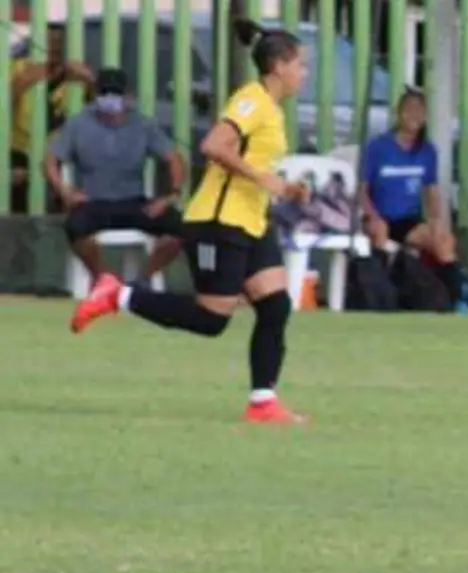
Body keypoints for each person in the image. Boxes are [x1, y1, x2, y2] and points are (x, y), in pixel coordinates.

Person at [70, 23, 311, 426]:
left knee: (275, 305)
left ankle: (263, 402)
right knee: (212, 320)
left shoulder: (271, 109)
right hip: (219, 222)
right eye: (301, 65)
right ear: (278, 65)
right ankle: (118, 295)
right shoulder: (251, 101)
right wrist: (264, 179)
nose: (304, 73)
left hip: (250, 222)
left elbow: (253, 161)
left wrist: (285, 187)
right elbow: (214, 145)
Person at [46, 67, 186, 286]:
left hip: (134, 201)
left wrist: (170, 196)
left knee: (179, 228)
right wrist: (64, 190)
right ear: (95, 94)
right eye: (104, 93)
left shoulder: (143, 124)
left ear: (127, 95)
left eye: (116, 93)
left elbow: (174, 159)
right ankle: (101, 279)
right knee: (75, 227)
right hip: (93, 201)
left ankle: (143, 278)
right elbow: (51, 160)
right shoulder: (78, 123)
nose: (110, 99)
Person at [361, 88, 457, 268]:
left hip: (408, 220)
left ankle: (452, 291)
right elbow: (362, 190)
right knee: (380, 232)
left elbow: (431, 192)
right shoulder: (377, 147)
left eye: (419, 110)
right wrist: (372, 216)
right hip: (379, 216)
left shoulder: (428, 151)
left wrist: (436, 221)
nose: (414, 115)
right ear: (399, 113)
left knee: (444, 240)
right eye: (409, 109)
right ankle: (379, 289)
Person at [9, 23, 94, 209]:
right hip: (19, 154)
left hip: (60, 156)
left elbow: (101, 112)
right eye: (49, 41)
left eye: (59, 42)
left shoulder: (76, 74)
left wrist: (90, 81)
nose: (54, 46)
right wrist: (21, 84)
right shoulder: (16, 68)